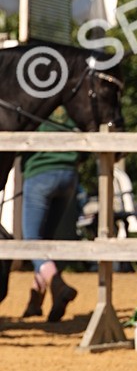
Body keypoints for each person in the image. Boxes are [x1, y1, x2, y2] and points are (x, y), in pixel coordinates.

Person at [20, 107, 79, 322]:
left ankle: (59, 286)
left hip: (40, 173)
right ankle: (36, 302)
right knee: (45, 243)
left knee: (32, 242)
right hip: (69, 175)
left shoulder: (37, 101)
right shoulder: (70, 106)